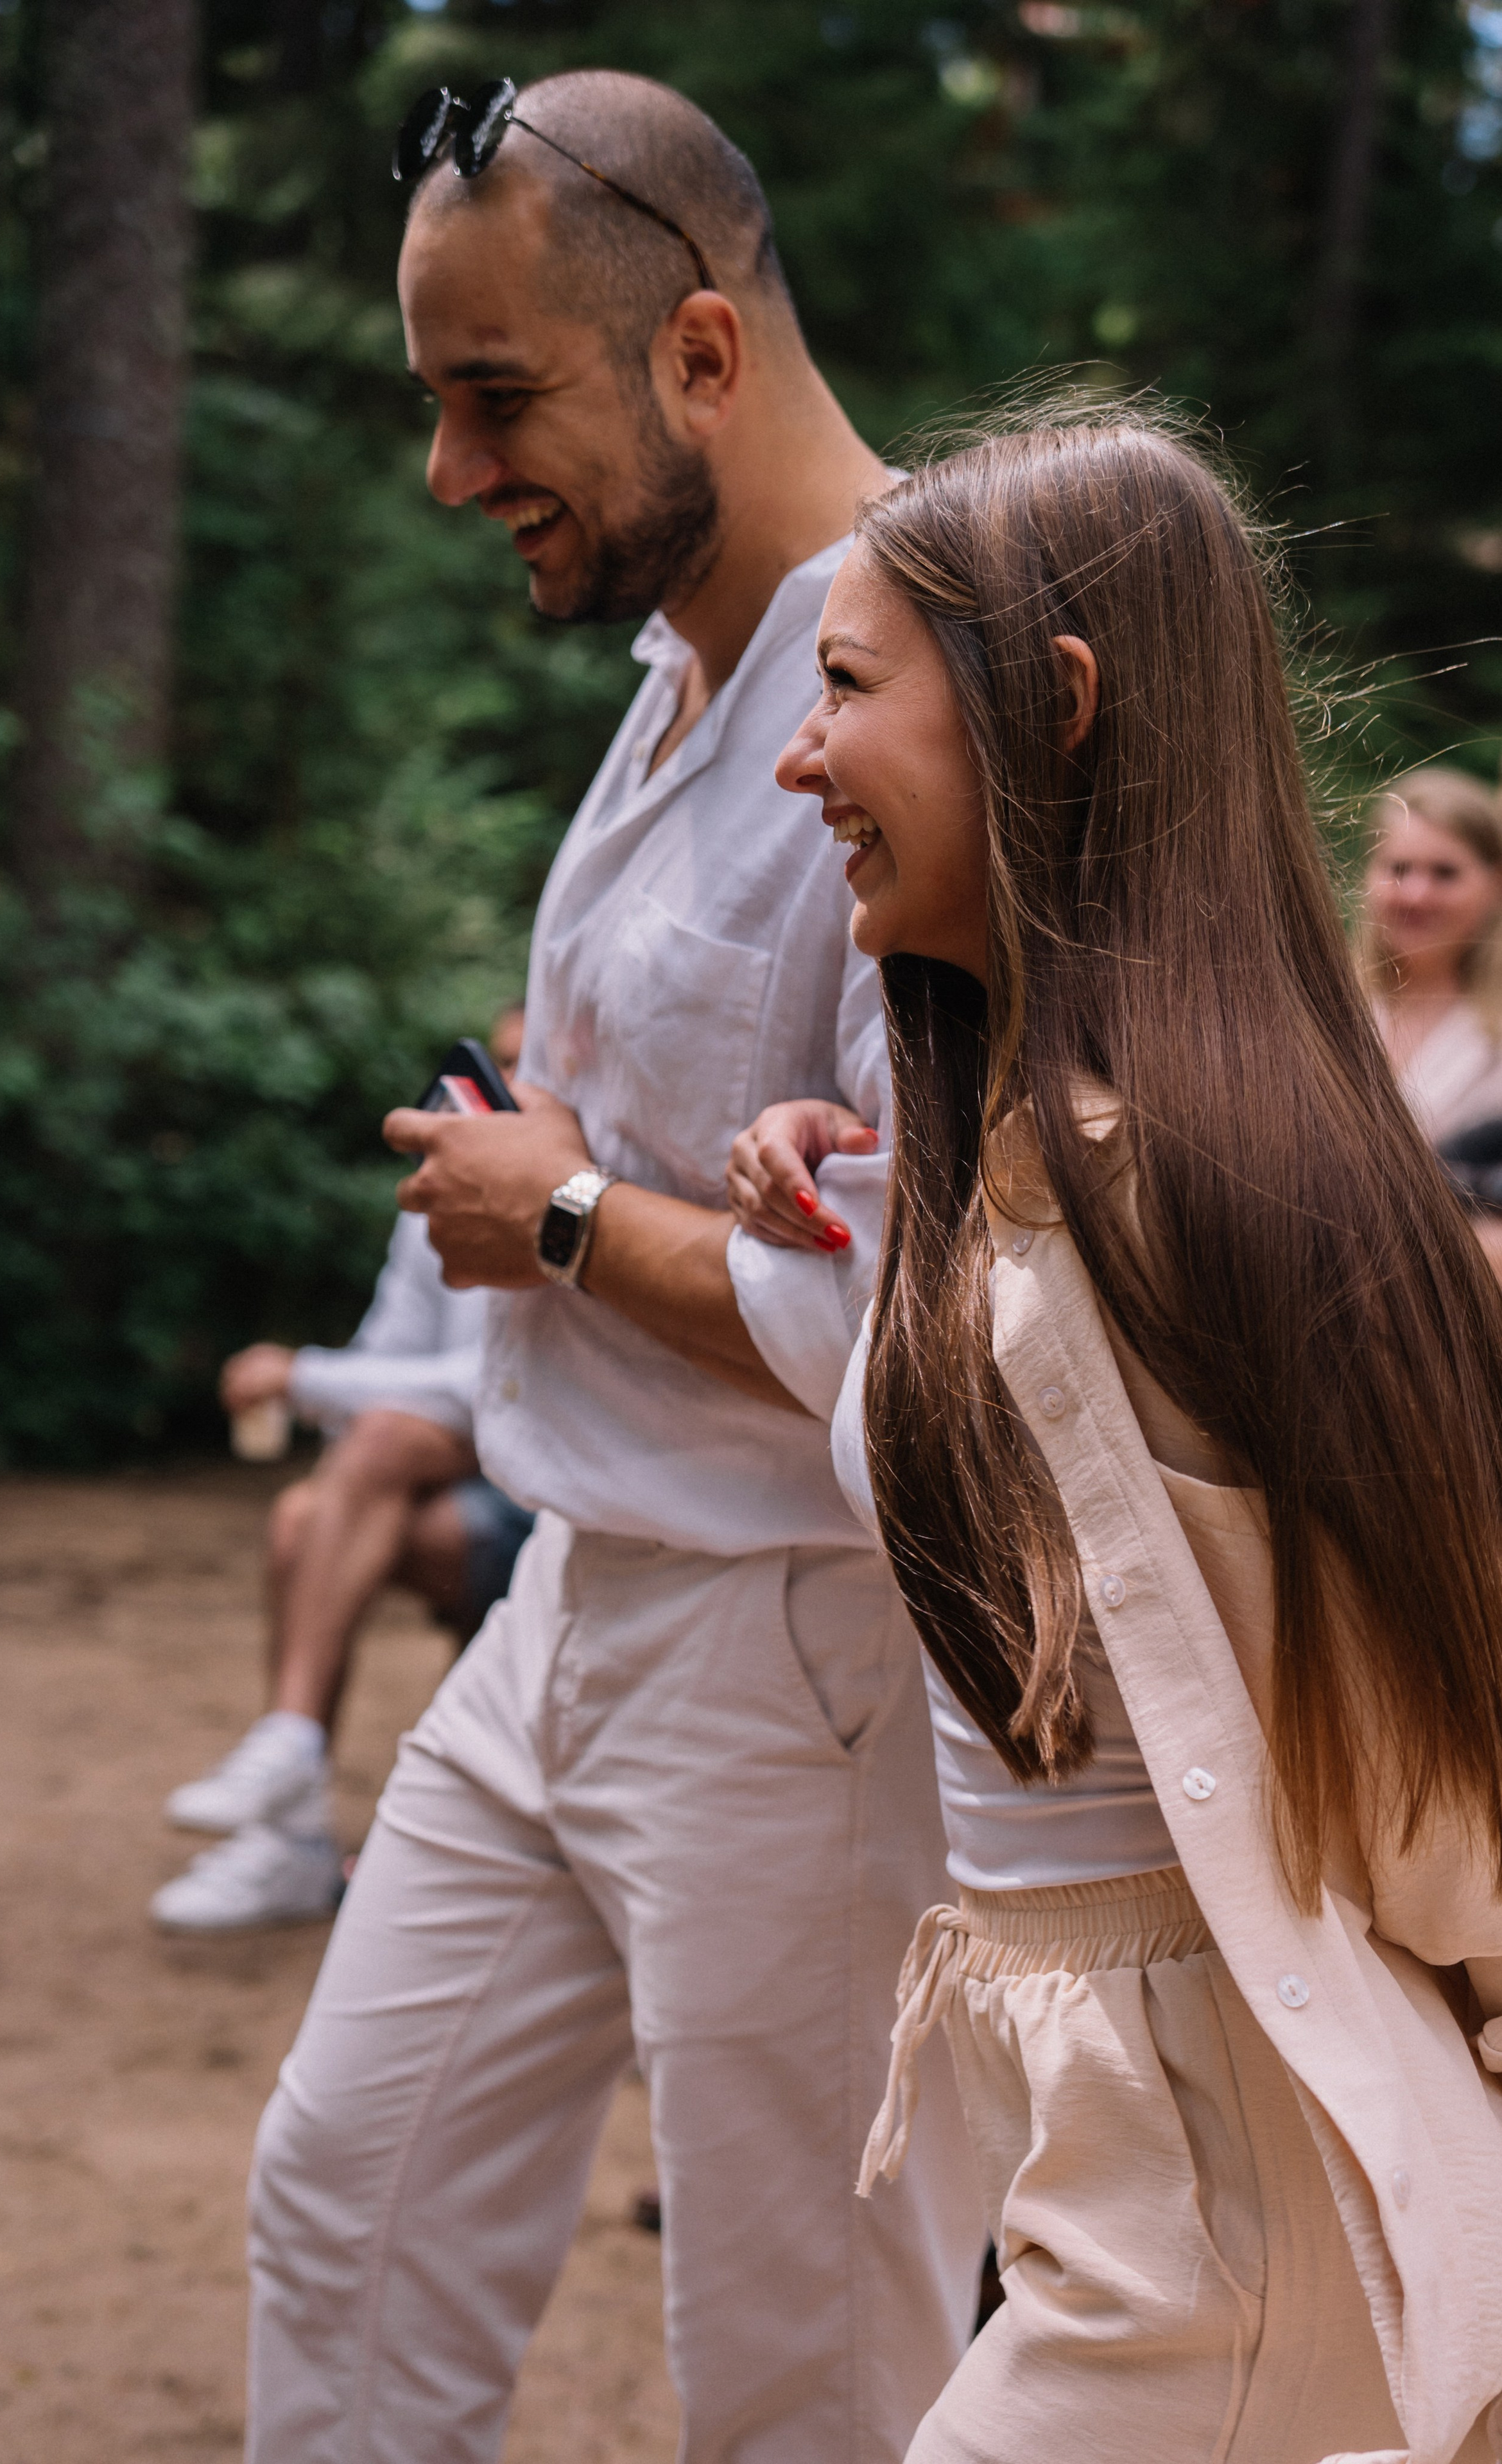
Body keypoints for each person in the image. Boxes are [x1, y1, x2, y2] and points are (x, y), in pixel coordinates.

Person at [245, 69, 983, 2464]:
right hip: (567, 1597)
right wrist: (553, 1171)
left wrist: (549, 1215)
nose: (452, 474)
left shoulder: (926, 688)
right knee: (340, 2215)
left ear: (694, 351)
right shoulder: (681, 659)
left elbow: (939, 1312)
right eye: (429, 403)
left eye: (492, 400)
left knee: (806, 2372)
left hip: (805, 1659)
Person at [730, 412, 1502, 2458]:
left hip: (1218, 2195)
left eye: (842, 688)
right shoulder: (1020, 1156)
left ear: (1050, 707)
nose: (798, 761)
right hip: (1134, 2162)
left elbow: (1442, 1735)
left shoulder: (1173, 1189)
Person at [151, 1016, 535, 1935]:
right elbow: (392, 1357)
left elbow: (500, 1388)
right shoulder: (439, 1198)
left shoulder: (573, 1188)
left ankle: (293, 1763)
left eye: (529, 1064)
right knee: (300, 1512)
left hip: (558, 1503)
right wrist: (330, 1383)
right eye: (498, 1062)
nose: (501, 1085)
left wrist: (305, 1378)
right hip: (459, 1492)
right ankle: (292, 1811)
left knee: (366, 1457)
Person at [1359, 763, 1502, 1143]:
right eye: (1400, 869)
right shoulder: (1324, 1002)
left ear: (1495, 883)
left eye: (1445, 873)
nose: (1416, 895)